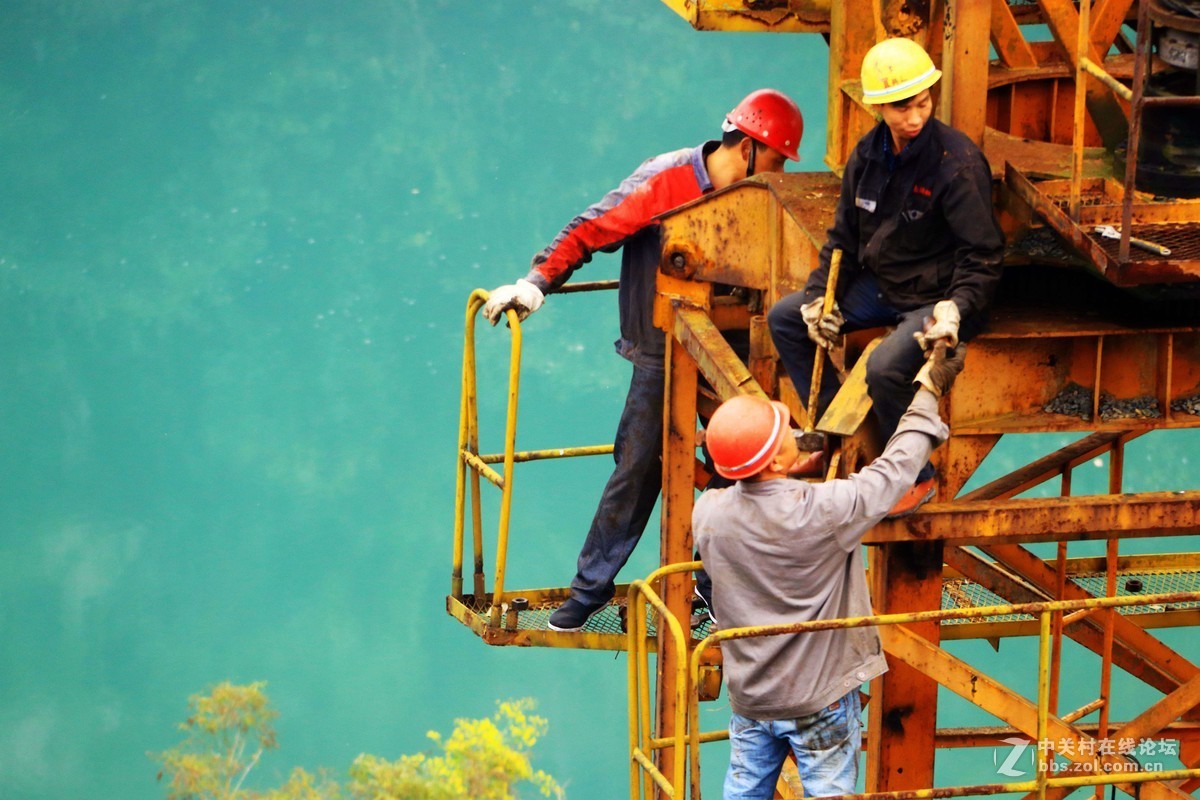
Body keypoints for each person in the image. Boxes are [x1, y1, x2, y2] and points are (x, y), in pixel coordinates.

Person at [481, 89, 805, 632]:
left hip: (735, 346)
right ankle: (588, 592)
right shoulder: (668, 179)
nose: (779, 171)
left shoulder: (759, 195)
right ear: (748, 147)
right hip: (663, 347)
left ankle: (709, 585)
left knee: (749, 463)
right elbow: (592, 228)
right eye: (776, 159)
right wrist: (536, 284)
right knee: (638, 466)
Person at [693, 342, 966, 799]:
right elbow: (895, 471)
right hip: (818, 699)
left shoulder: (709, 513)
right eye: (787, 435)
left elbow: (758, 497)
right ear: (779, 462)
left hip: (752, 699)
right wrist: (927, 389)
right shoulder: (823, 511)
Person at [767, 37, 1004, 519]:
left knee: (885, 369)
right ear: (879, 106)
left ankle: (916, 475)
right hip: (883, 286)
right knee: (787, 318)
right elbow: (842, 239)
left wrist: (956, 308)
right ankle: (834, 429)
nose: (915, 117)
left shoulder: (955, 165)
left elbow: (983, 255)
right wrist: (819, 299)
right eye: (901, 107)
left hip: (934, 298)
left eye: (922, 103)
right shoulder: (867, 156)